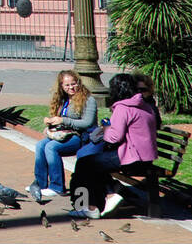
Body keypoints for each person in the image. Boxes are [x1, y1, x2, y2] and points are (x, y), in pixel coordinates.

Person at [69, 73, 160, 219]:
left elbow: (113, 137)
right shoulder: (146, 106)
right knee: (95, 166)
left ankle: (89, 206)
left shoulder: (123, 108)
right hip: (146, 157)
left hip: (131, 157)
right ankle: (108, 195)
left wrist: (106, 128)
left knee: (84, 163)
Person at [27, 70, 96, 199]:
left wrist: (64, 120)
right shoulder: (63, 99)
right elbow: (60, 120)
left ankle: (57, 186)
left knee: (51, 147)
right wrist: (50, 124)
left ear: (78, 83)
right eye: (67, 85)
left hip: (81, 137)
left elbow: (88, 123)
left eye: (74, 84)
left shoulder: (88, 99)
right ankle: (40, 184)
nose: (71, 88)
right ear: (61, 87)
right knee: (41, 145)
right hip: (64, 134)